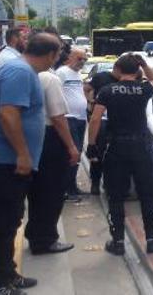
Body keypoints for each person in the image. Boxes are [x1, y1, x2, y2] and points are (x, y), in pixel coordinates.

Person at [0, 33, 61, 295]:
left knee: (11, 221)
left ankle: (9, 273)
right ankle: (1, 283)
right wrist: (23, 154)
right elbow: (8, 113)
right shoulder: (20, 72)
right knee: (4, 222)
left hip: (13, 161)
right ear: (50, 54)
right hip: (7, 161)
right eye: (57, 55)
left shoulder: (25, 71)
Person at [87, 53, 153, 256]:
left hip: (117, 148)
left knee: (116, 196)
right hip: (141, 148)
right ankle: (152, 239)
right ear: (137, 70)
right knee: (147, 194)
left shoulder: (107, 90)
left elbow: (95, 119)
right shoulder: (144, 89)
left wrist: (91, 145)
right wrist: (145, 65)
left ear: (118, 70)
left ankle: (118, 242)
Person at [25, 69, 80, 255]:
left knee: (38, 190)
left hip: (35, 136)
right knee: (52, 191)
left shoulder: (27, 74)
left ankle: (35, 234)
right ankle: (45, 239)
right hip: (51, 137)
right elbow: (57, 116)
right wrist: (71, 146)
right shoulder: (50, 78)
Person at [56, 48, 89, 200]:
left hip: (80, 118)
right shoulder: (62, 72)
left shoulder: (77, 74)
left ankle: (72, 186)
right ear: (71, 57)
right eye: (79, 59)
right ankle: (66, 189)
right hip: (69, 117)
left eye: (84, 60)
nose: (82, 62)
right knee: (72, 153)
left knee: (78, 152)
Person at [83, 65, 120, 195]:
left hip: (117, 121)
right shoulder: (101, 77)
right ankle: (95, 183)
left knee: (114, 156)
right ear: (117, 68)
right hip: (102, 119)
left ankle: (110, 184)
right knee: (97, 153)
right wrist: (90, 101)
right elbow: (86, 88)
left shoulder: (128, 79)